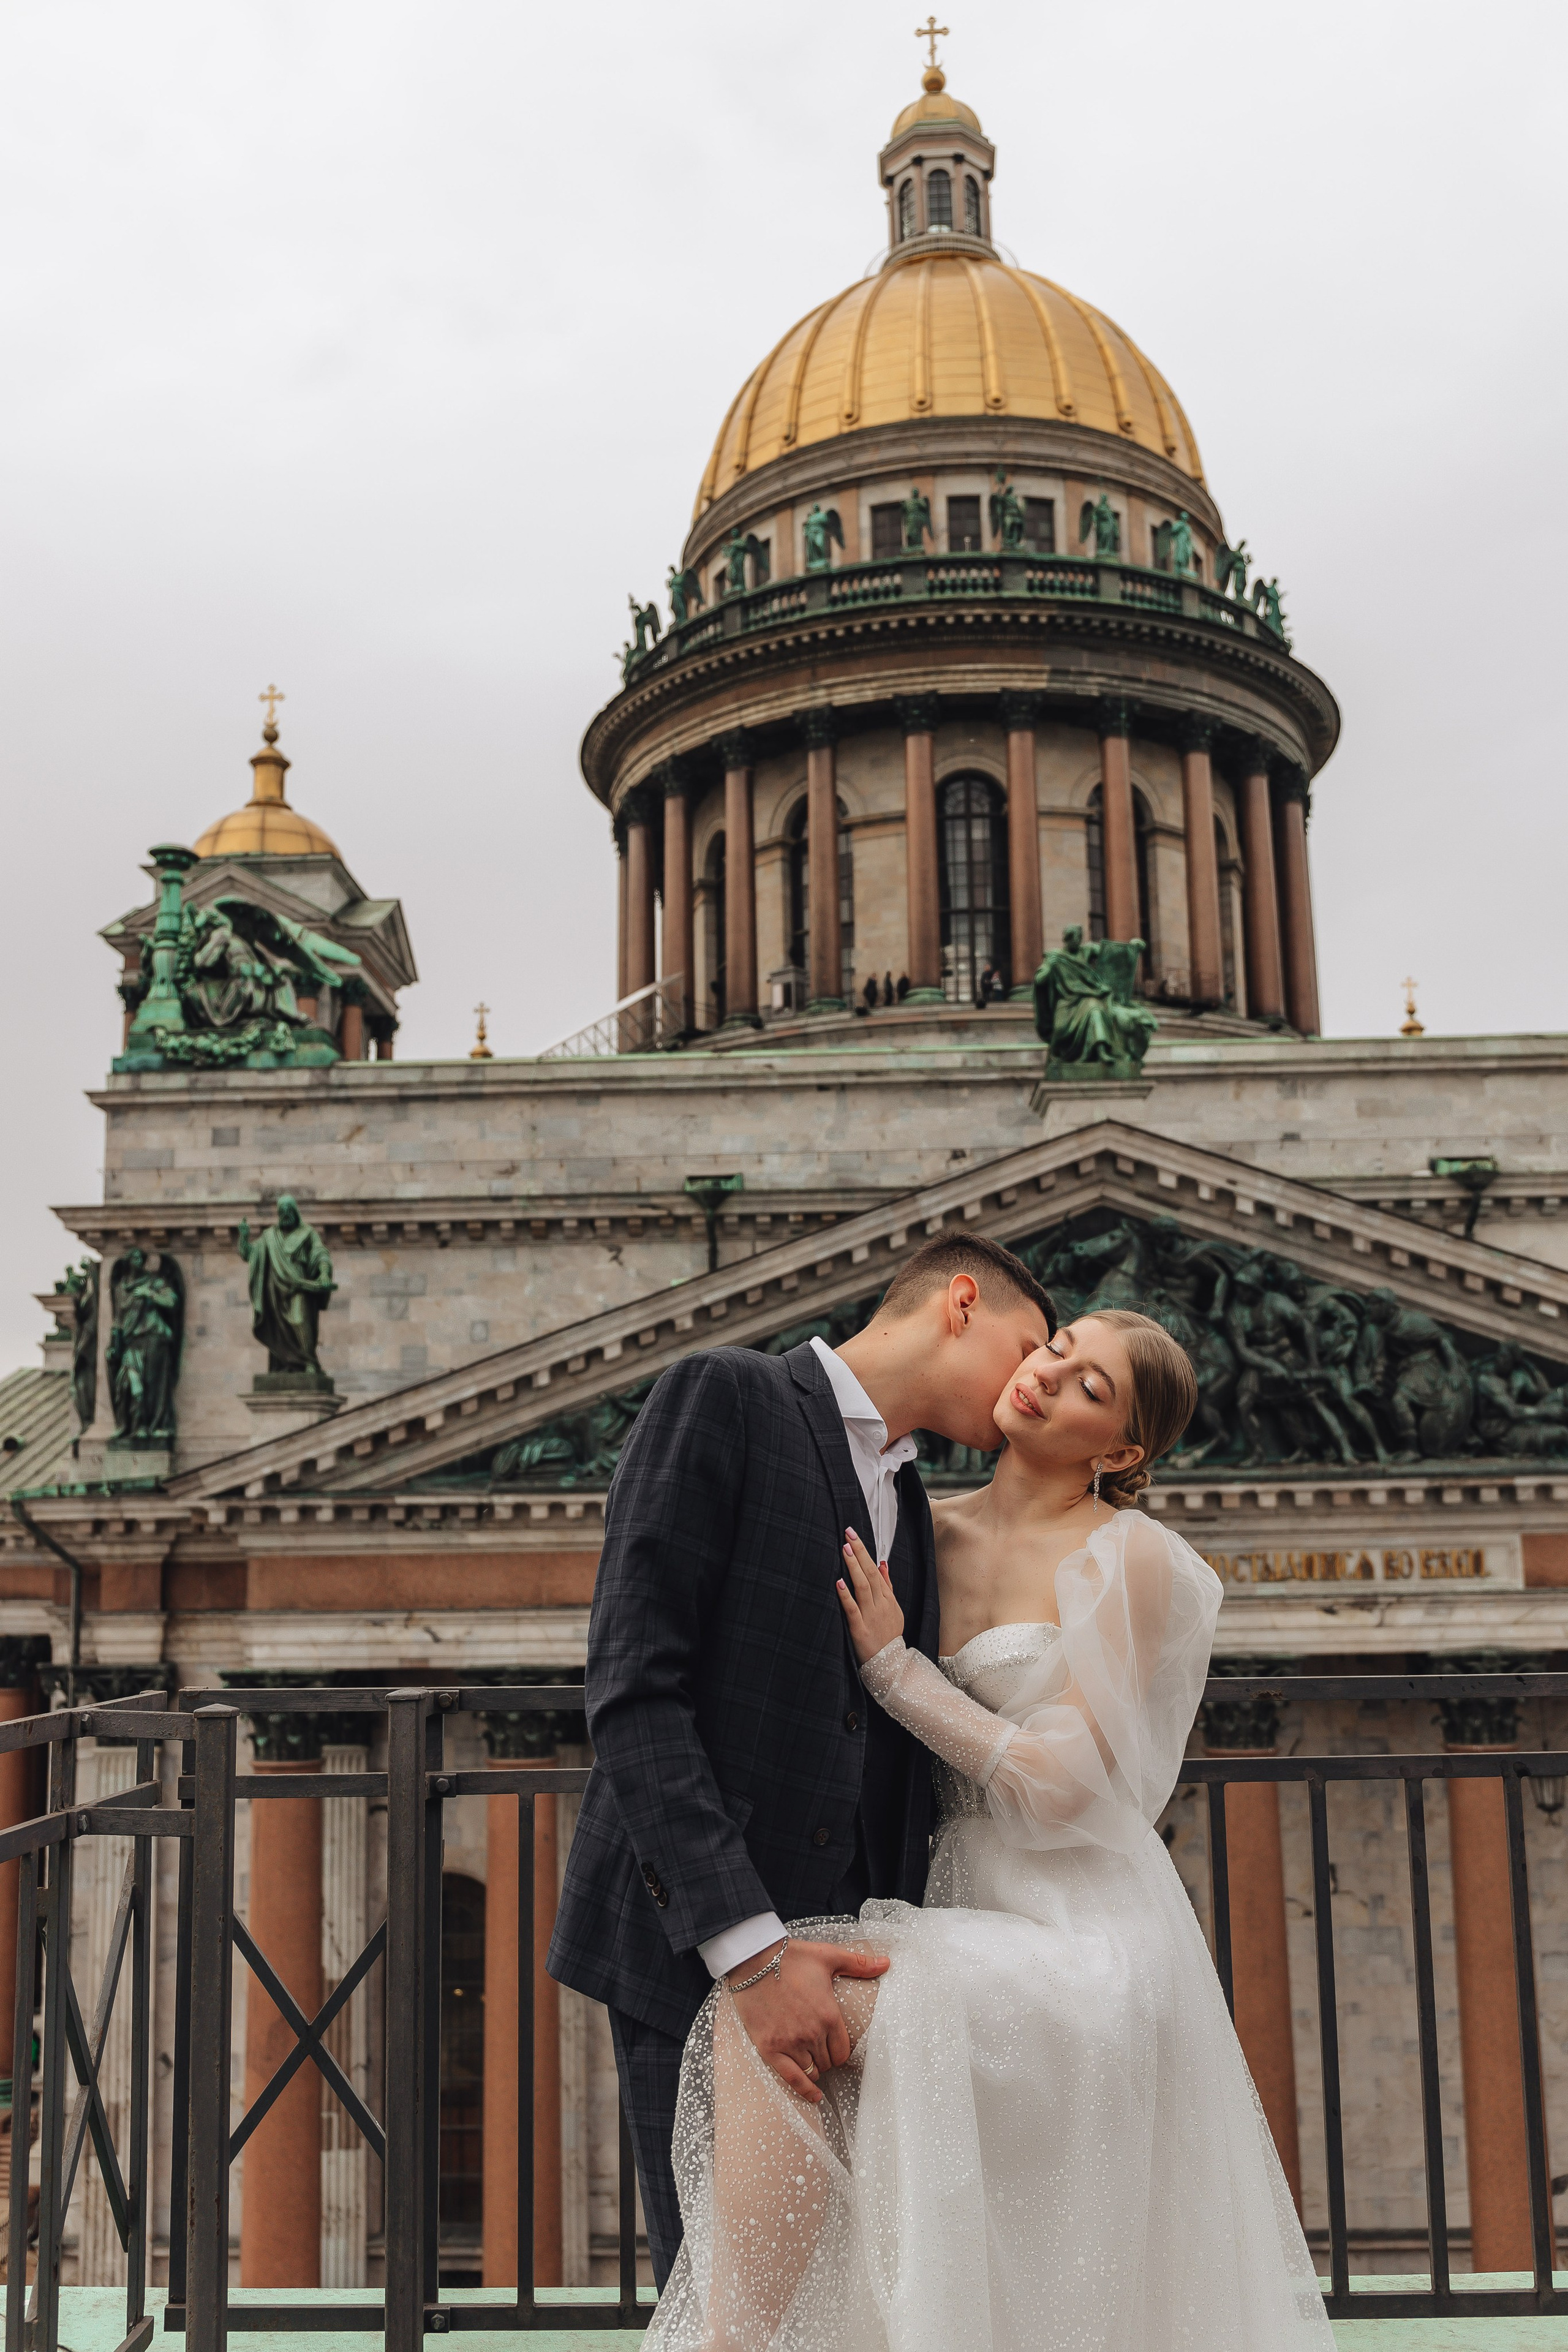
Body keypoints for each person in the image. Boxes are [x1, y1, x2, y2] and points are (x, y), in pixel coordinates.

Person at [645, 1310, 1336, 2351]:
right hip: (955, 1905)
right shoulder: (921, 1531)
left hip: (1083, 1932)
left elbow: (1068, 1787)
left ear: (1124, 1451)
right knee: (782, 2035)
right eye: (1059, 1347)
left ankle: (726, 2345)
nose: (1049, 1377)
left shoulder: (1130, 1558)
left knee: (786, 2009)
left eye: (1090, 1387)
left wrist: (897, 1673)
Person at [548, 1234, 1056, 2287]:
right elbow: (637, 1688)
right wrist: (753, 1954)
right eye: (1032, 1346)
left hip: (849, 1989)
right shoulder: (724, 1395)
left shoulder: (912, 1504)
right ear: (961, 1303)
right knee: (727, 2299)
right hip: (704, 1963)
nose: (1035, 1385)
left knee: (835, 2301)